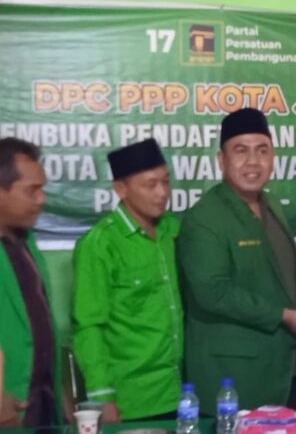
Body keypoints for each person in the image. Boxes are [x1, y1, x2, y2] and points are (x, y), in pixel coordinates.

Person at [178, 108, 296, 415]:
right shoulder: (204, 217)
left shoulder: (272, 205)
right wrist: (284, 315)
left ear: (273, 157)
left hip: (286, 366)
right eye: (241, 151)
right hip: (236, 377)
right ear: (221, 160)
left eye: (262, 150)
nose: (253, 161)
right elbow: (212, 292)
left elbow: (267, 271)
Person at [72, 139, 182, 422]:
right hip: (131, 401)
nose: (162, 193)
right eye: (150, 185)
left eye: (166, 182)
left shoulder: (173, 230)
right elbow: (89, 327)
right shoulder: (100, 244)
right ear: (121, 189)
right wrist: (101, 396)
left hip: (179, 392)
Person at [0, 137, 64, 426]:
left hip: (41, 404)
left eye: (42, 189)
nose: (41, 199)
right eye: (31, 190)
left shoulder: (26, 242)